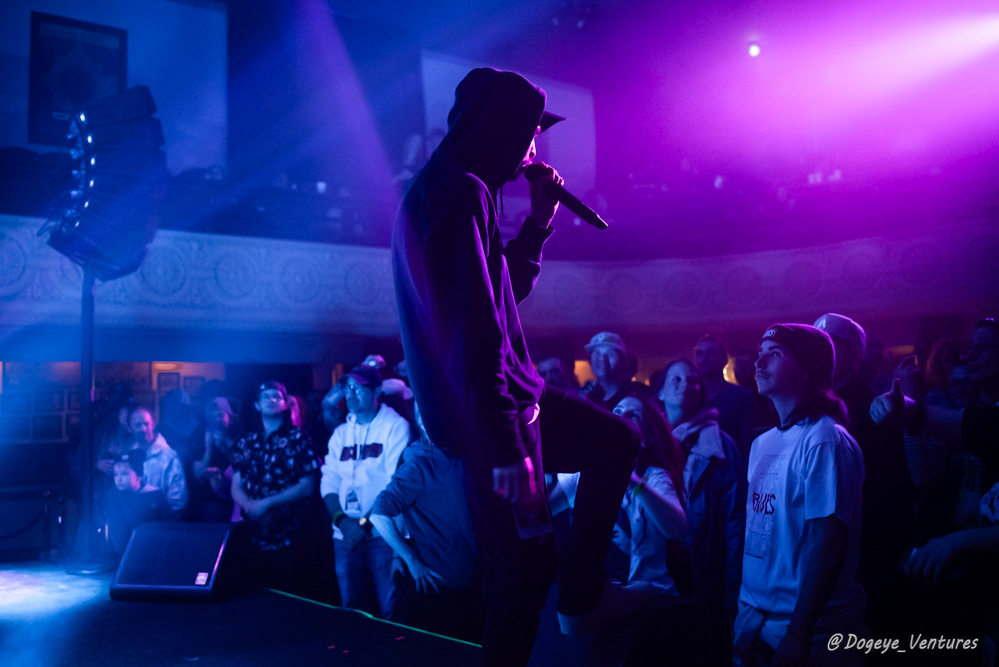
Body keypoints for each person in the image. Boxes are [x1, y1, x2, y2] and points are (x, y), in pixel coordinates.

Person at [392, 67, 655, 665]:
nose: (535, 149)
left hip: (506, 409)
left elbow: (496, 295)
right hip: (497, 418)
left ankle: (584, 598)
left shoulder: (451, 189)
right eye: (530, 133)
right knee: (525, 568)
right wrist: (506, 445)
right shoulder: (461, 190)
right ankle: (580, 602)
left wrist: (538, 223)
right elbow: (471, 330)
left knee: (615, 441)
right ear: (500, 129)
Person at [734, 324, 866, 667]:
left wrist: (799, 633)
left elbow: (831, 542)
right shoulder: (762, 442)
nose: (759, 362)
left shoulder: (824, 439)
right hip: (756, 618)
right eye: (760, 351)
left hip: (807, 629)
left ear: (808, 369)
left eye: (774, 354)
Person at [369, 405, 482, 642]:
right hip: (440, 586)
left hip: (471, 580)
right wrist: (410, 559)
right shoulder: (418, 464)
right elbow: (379, 514)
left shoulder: (460, 457)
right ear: (421, 422)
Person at [657, 359, 745, 643]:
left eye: (693, 380)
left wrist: (732, 591)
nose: (686, 385)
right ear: (660, 393)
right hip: (658, 571)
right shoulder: (650, 443)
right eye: (677, 379)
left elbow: (736, 522)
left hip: (703, 569)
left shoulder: (720, 446)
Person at [320, 365, 411, 621]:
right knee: (351, 609)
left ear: (377, 391)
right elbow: (328, 482)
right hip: (345, 535)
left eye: (358, 388)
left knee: (390, 610)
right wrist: (343, 522)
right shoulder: (340, 434)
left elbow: (396, 485)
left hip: (384, 535)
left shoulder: (395, 427)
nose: (351, 394)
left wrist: (361, 524)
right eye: (347, 388)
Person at [230, 381, 319, 596]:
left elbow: (307, 486)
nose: (270, 400)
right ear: (257, 405)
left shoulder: (298, 438)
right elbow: (236, 484)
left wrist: (265, 503)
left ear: (285, 404)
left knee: (290, 594)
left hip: (290, 533)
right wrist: (250, 506)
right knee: (254, 595)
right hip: (253, 533)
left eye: (276, 396)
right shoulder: (246, 441)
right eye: (265, 397)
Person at [695, 334, 757, 457]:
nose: (704, 358)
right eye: (700, 353)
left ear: (725, 359)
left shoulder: (741, 396)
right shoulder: (691, 397)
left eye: (710, 353)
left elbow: (748, 443)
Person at [104, 450, 170, 558]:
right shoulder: (114, 497)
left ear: (139, 475)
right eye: (116, 475)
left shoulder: (157, 495)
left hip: (154, 550)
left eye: (124, 474)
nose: (119, 479)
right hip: (126, 554)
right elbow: (118, 534)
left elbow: (167, 525)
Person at [127, 405, 187, 517]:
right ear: (129, 428)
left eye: (146, 424)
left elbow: (178, 499)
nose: (143, 429)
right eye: (138, 425)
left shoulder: (169, 456)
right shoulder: (128, 457)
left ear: (153, 424)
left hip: (161, 525)